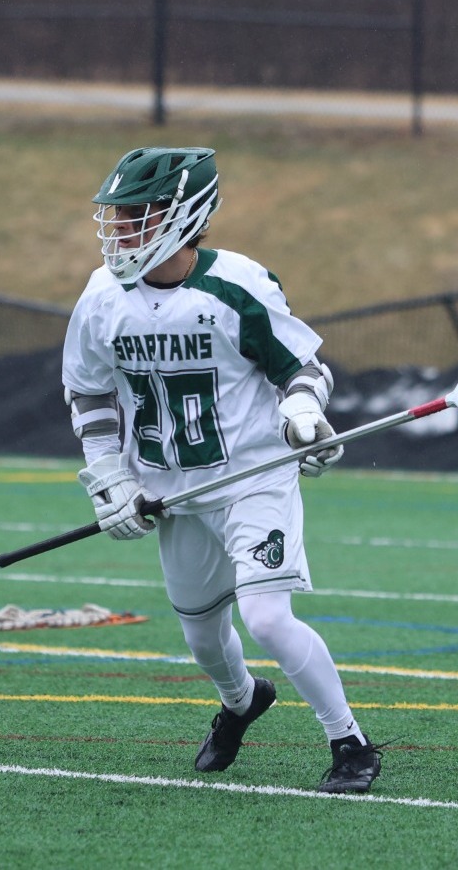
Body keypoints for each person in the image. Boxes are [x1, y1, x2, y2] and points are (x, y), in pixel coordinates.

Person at [61, 146, 383, 794]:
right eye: (117, 217)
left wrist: (301, 410)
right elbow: (89, 390)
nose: (120, 230)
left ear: (183, 216)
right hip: (169, 487)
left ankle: (350, 742)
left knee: (265, 615)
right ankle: (241, 701)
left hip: (251, 475)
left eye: (136, 216)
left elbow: (303, 366)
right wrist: (109, 476)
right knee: (204, 637)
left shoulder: (236, 284)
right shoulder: (103, 297)